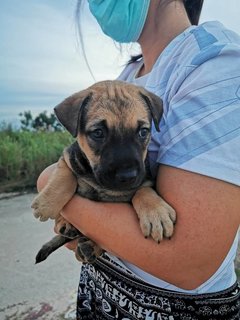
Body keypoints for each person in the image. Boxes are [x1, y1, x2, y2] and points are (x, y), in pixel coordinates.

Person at [38, 0, 240, 319]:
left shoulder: (215, 64)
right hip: (100, 292)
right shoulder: (128, 76)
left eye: (142, 133)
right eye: (101, 135)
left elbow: (190, 262)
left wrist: (56, 189)